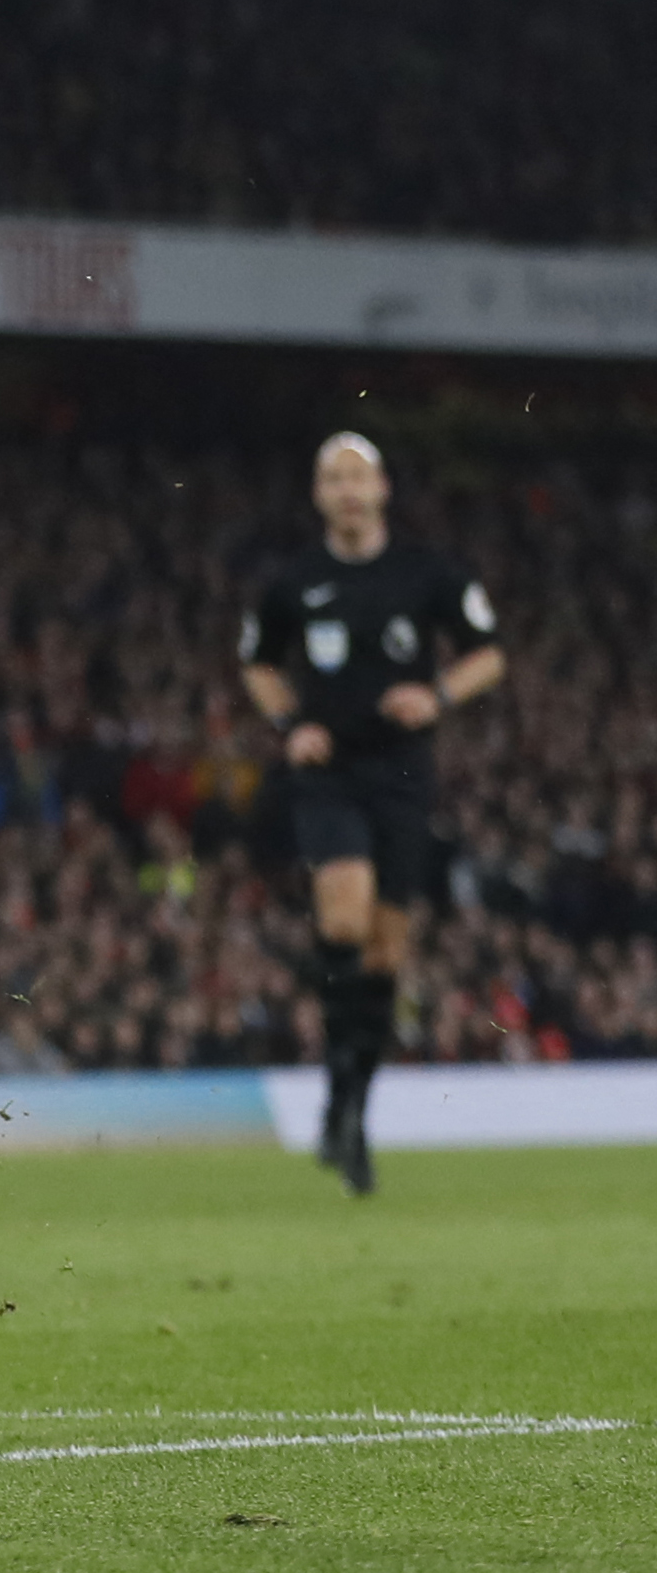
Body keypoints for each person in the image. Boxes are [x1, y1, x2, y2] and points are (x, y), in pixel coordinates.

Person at [238, 432, 503, 1196]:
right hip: (330, 776)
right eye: (332, 478)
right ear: (319, 495)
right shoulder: (295, 581)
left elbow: (489, 652)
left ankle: (346, 1108)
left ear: (382, 488)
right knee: (346, 917)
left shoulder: (428, 573)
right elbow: (258, 664)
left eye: (358, 477)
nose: (347, 490)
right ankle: (339, 1099)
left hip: (403, 777)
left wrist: (440, 694)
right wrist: (293, 725)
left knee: (386, 956)